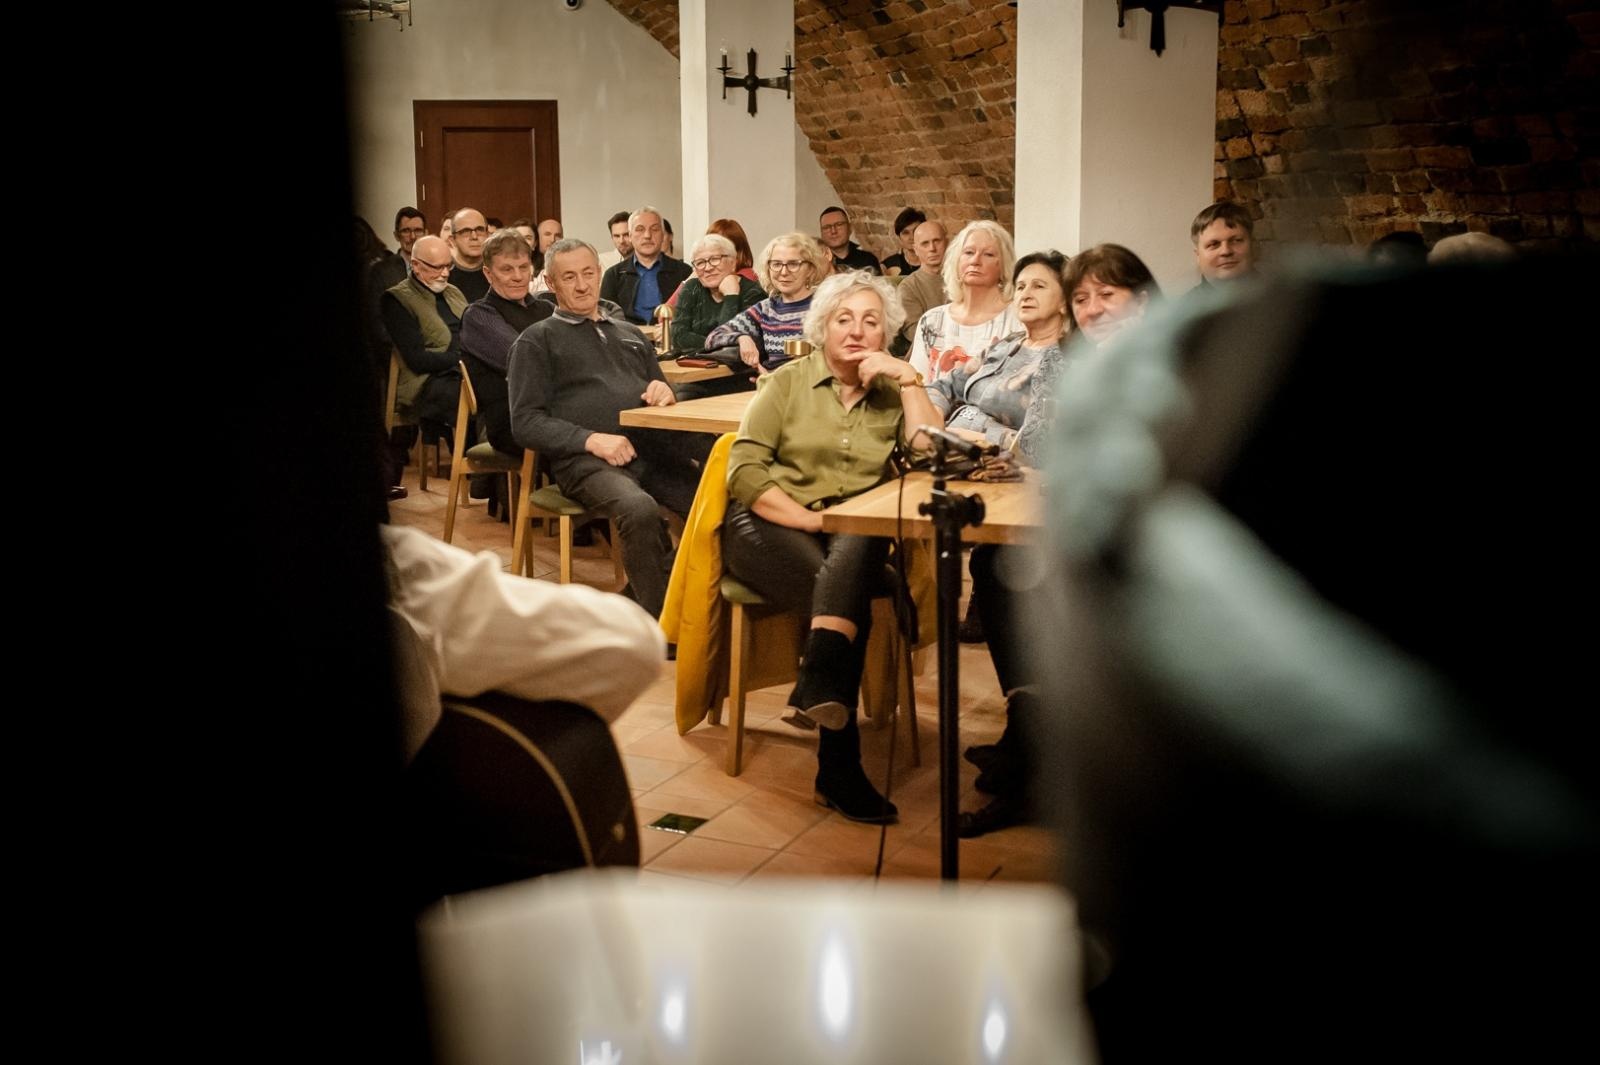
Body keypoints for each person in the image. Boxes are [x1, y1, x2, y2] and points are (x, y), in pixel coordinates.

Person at [723, 271, 944, 823]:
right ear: (822, 327)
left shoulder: (894, 394)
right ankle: (837, 770)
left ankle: (821, 698)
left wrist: (912, 380)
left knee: (857, 552)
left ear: (887, 335)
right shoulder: (788, 382)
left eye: (872, 322)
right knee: (852, 579)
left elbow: (929, 455)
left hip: (848, 537)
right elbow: (745, 472)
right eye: (844, 319)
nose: (857, 331)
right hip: (766, 523)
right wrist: (815, 522)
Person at [963, 244, 1162, 837]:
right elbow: (1041, 442)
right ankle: (1027, 735)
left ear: (1143, 300)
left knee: (1026, 579)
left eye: (1107, 294)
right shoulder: (1075, 359)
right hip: (1081, 513)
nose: (1094, 308)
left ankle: (1036, 758)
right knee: (996, 561)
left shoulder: (1163, 358)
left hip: (1146, 538)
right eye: (1082, 299)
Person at [507, 239, 703, 618]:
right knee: (639, 509)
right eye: (569, 277)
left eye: (588, 273)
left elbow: (660, 387)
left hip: (651, 449)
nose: (582, 285)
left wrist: (667, 390)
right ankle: (660, 623)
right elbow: (525, 421)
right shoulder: (536, 340)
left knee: (713, 500)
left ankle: (648, 590)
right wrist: (591, 440)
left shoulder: (627, 333)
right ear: (550, 282)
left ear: (600, 273)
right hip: (585, 461)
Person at [460, 229, 552, 459]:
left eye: (523, 267)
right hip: (513, 423)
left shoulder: (546, 309)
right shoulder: (479, 315)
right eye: (507, 269)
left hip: (556, 409)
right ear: (488, 274)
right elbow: (523, 359)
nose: (518, 276)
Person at [908, 220, 1020, 386]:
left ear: (1003, 266)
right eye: (968, 252)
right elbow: (916, 385)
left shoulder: (1018, 320)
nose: (975, 260)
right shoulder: (932, 320)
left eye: (988, 254)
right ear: (956, 260)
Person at [704, 232, 831, 376]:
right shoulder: (765, 308)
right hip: (772, 387)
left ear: (810, 269)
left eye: (793, 264)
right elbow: (713, 338)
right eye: (776, 264)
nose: (783, 272)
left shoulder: (825, 307)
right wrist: (741, 338)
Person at [671, 233, 765, 356]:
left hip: (736, 371)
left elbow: (731, 344)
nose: (708, 268)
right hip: (695, 366)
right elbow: (678, 337)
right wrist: (717, 342)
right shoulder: (692, 288)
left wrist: (731, 296)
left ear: (733, 263)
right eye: (700, 262)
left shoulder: (754, 293)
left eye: (715, 259)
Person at [599, 206, 692, 329]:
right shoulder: (614, 275)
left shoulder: (684, 272)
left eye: (654, 229)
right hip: (628, 342)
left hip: (673, 341)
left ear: (663, 235)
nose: (647, 235)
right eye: (640, 229)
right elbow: (606, 320)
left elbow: (693, 317)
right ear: (630, 236)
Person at [894, 220, 949, 355]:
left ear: (947, 243)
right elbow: (917, 335)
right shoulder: (908, 288)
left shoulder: (963, 278)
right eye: (925, 243)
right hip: (928, 356)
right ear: (915, 249)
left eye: (937, 241)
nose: (932, 248)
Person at [1190, 200, 1256, 287]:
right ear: (1198, 255)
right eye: (1213, 244)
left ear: (1253, 245)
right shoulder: (1186, 301)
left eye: (1236, 240)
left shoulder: (1279, 297)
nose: (1226, 251)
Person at [818, 205, 882, 273]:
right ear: (821, 233)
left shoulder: (868, 259)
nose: (833, 231)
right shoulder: (818, 264)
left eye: (839, 224)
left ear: (850, 228)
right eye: (827, 227)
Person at [880, 207, 926, 275]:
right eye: (905, 233)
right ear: (899, 237)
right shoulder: (888, 266)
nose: (911, 237)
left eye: (915, 231)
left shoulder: (937, 261)